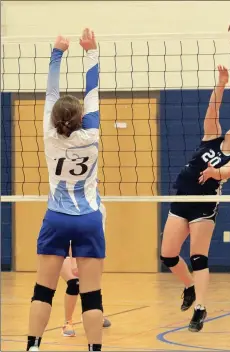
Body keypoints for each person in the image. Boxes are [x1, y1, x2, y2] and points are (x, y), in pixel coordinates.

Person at [160, 65, 230, 333]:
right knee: (168, 255)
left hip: (204, 207)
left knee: (198, 257)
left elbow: (225, 172)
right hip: (182, 200)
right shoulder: (211, 136)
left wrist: (215, 171)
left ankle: (200, 309)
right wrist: (221, 83)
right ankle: (190, 287)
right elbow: (213, 109)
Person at [26, 28, 105, 351]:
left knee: (43, 290)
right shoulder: (93, 136)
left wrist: (57, 52)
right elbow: (93, 91)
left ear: (55, 118)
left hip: (56, 218)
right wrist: (92, 52)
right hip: (88, 218)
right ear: (82, 118)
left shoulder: (49, 136)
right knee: (92, 294)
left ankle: (33, 346)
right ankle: (95, 349)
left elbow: (51, 92)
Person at [61, 203, 111, 337]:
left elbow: (100, 235)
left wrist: (99, 258)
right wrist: (73, 263)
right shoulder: (71, 205)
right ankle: (68, 323)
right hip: (65, 251)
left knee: (92, 285)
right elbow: (70, 237)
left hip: (88, 251)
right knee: (74, 283)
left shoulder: (100, 208)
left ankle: (92, 314)